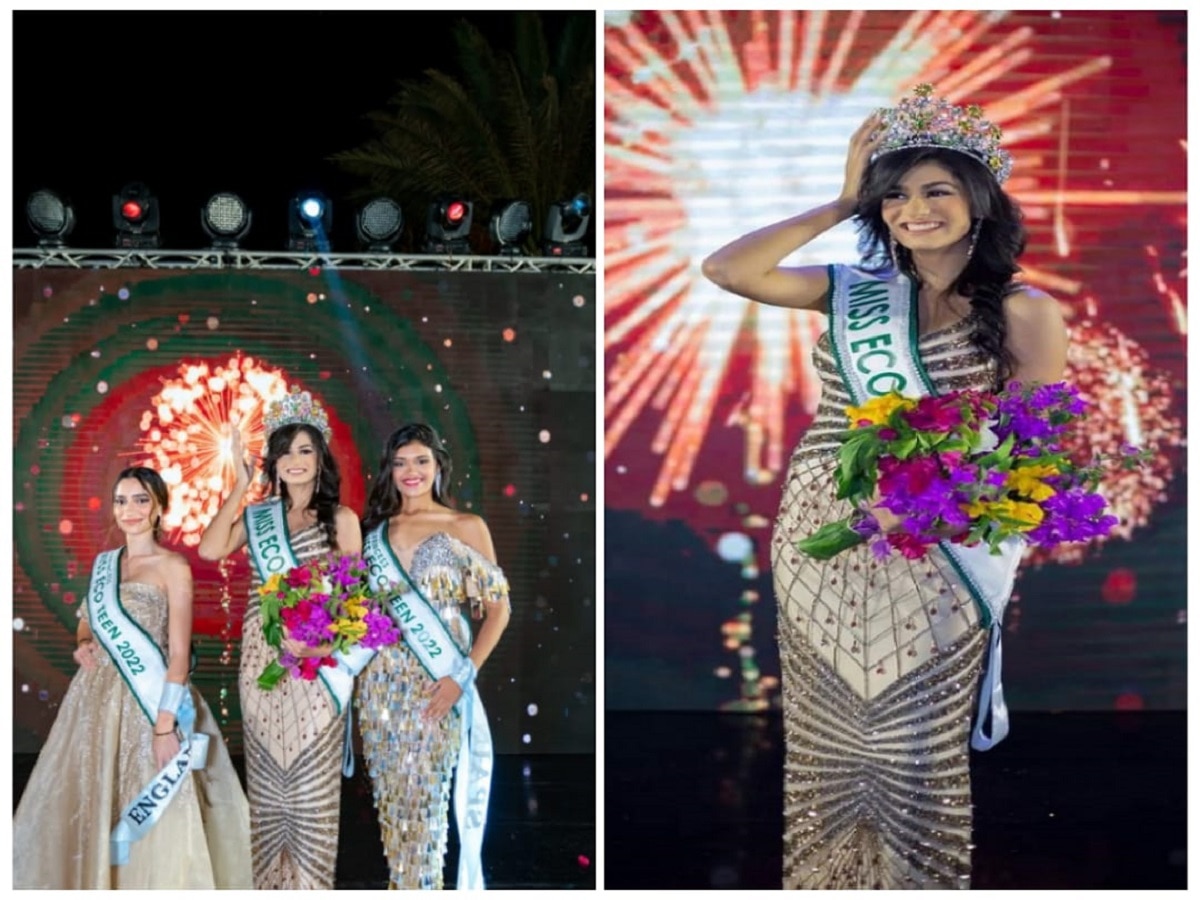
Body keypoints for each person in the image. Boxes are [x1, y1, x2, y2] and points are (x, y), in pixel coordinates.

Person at [702, 84, 1068, 889]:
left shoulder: (1025, 311)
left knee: (910, 737)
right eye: (896, 193)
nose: (914, 209)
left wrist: (945, 500)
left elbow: (1034, 451)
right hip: (821, 528)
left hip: (936, 539)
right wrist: (842, 200)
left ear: (979, 201)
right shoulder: (850, 288)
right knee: (829, 732)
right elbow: (728, 267)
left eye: (938, 190)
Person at [13, 466, 253, 889]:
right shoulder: (105, 565)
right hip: (95, 704)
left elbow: (179, 654)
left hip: (153, 704)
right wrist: (83, 642)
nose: (130, 510)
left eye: (141, 499)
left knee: (150, 810)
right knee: (90, 802)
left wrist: (164, 729)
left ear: (159, 507)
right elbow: (87, 624)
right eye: (121, 500)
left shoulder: (173, 566)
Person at [198, 388, 362, 889]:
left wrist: (320, 648)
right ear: (273, 460)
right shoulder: (258, 516)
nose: (294, 460)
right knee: (268, 783)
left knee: (311, 785)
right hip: (261, 661)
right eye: (285, 450)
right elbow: (209, 549)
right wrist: (241, 484)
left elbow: (356, 602)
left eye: (305, 450)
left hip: (317, 665)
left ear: (321, 460)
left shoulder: (341, 520)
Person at [358, 423, 511, 890]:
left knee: (426, 807)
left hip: (438, 683)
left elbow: (498, 611)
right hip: (379, 685)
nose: (411, 471)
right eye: (401, 462)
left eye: (421, 461)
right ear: (390, 469)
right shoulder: (374, 532)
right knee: (393, 808)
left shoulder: (464, 526)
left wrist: (461, 678)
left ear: (438, 466)